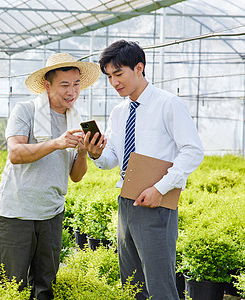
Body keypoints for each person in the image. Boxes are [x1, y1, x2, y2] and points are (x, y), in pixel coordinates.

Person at [84, 40, 204, 300]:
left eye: (119, 74)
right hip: (126, 201)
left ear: (139, 68)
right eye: (109, 77)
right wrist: (95, 153)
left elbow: (193, 151)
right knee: (132, 284)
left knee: (159, 286)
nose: (114, 82)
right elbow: (112, 158)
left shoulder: (169, 104)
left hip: (156, 204)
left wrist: (159, 189)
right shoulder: (119, 111)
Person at [0, 53, 101, 300]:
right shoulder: (26, 111)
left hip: (51, 213)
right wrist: (57, 143)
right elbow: (16, 153)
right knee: (12, 286)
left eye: (76, 84)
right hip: (17, 212)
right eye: (64, 84)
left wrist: (83, 152)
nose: (71, 91)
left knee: (44, 286)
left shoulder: (76, 119)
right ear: (47, 84)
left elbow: (76, 176)